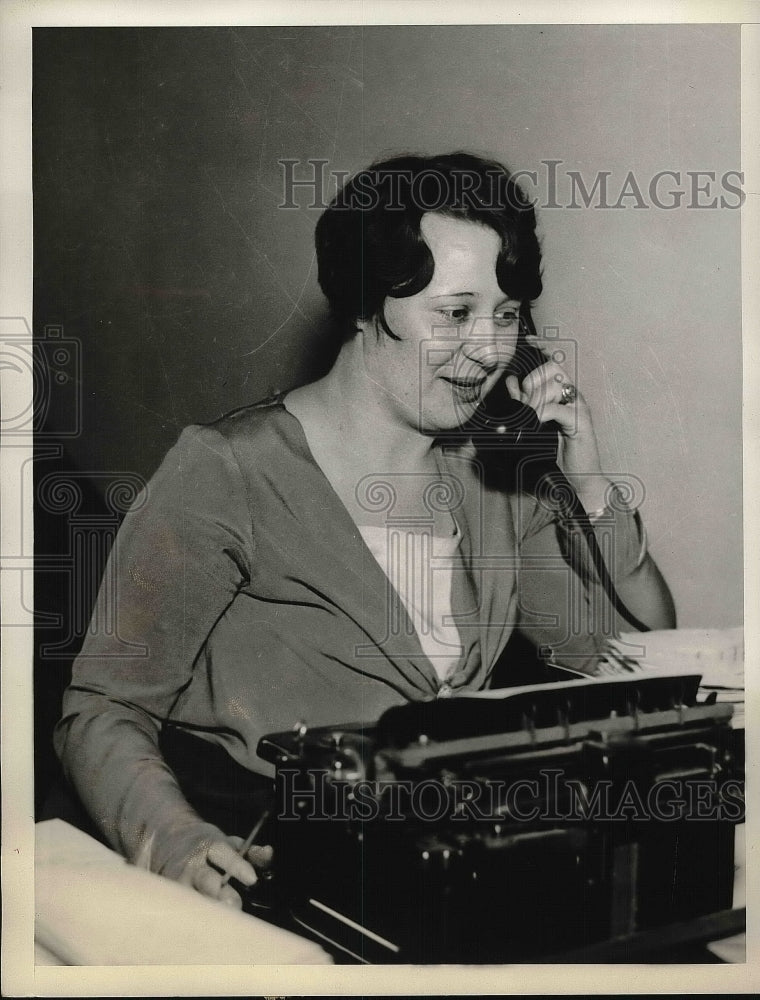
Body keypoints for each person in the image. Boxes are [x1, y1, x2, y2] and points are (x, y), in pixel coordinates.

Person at [53, 151, 675, 909]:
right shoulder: (228, 470)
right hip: (262, 868)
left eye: (506, 315)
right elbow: (104, 708)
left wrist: (591, 485)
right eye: (454, 313)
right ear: (361, 303)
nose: (489, 349)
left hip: (435, 864)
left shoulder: (497, 479)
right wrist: (175, 844)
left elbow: (634, 657)